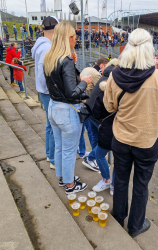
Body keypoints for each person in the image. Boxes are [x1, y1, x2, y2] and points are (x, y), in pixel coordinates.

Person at [103, 28, 158, 237]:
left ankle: (118, 216)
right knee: (141, 185)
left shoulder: (115, 75)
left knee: (120, 180)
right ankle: (135, 226)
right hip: (146, 141)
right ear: (149, 47)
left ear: (128, 47)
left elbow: (109, 107)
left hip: (121, 138)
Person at [44, 21, 92, 194]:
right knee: (69, 151)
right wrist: (85, 82)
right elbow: (72, 92)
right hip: (67, 111)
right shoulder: (65, 62)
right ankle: (70, 186)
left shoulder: (49, 58)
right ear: (69, 38)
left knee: (59, 147)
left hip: (53, 108)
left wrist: (72, 63)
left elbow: (62, 83)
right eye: (75, 36)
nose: (76, 39)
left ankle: (64, 178)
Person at [32, 16, 59, 170]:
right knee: (53, 126)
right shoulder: (46, 47)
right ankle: (53, 158)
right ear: (54, 30)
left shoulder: (40, 44)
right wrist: (53, 90)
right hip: (49, 93)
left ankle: (50, 155)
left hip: (45, 93)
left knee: (50, 126)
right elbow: (44, 75)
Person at [90, 59, 119, 194]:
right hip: (123, 131)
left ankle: (107, 181)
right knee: (120, 160)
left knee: (99, 154)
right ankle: (113, 185)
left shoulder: (104, 92)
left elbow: (96, 112)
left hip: (108, 130)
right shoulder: (128, 90)